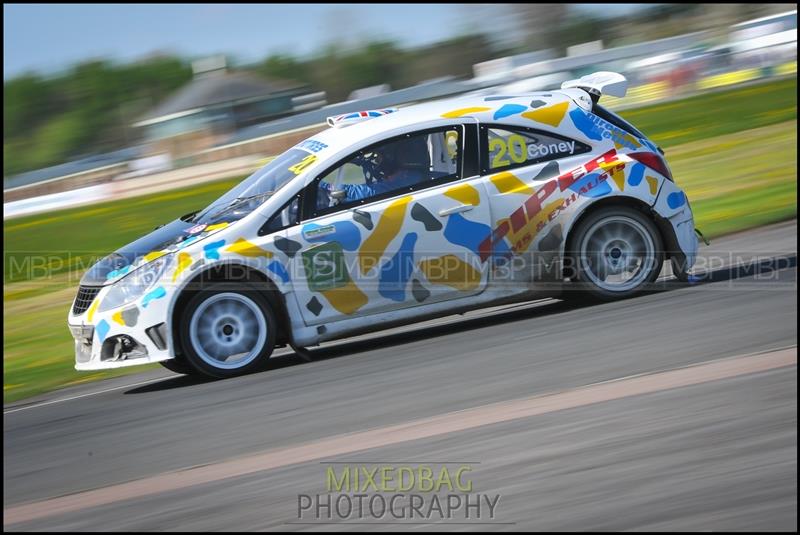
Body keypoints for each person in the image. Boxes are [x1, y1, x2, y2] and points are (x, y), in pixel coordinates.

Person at [319, 136, 431, 206]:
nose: (376, 161)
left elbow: (362, 193)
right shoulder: (408, 174)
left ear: (393, 156)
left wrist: (324, 186)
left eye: (379, 156)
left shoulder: (408, 178)